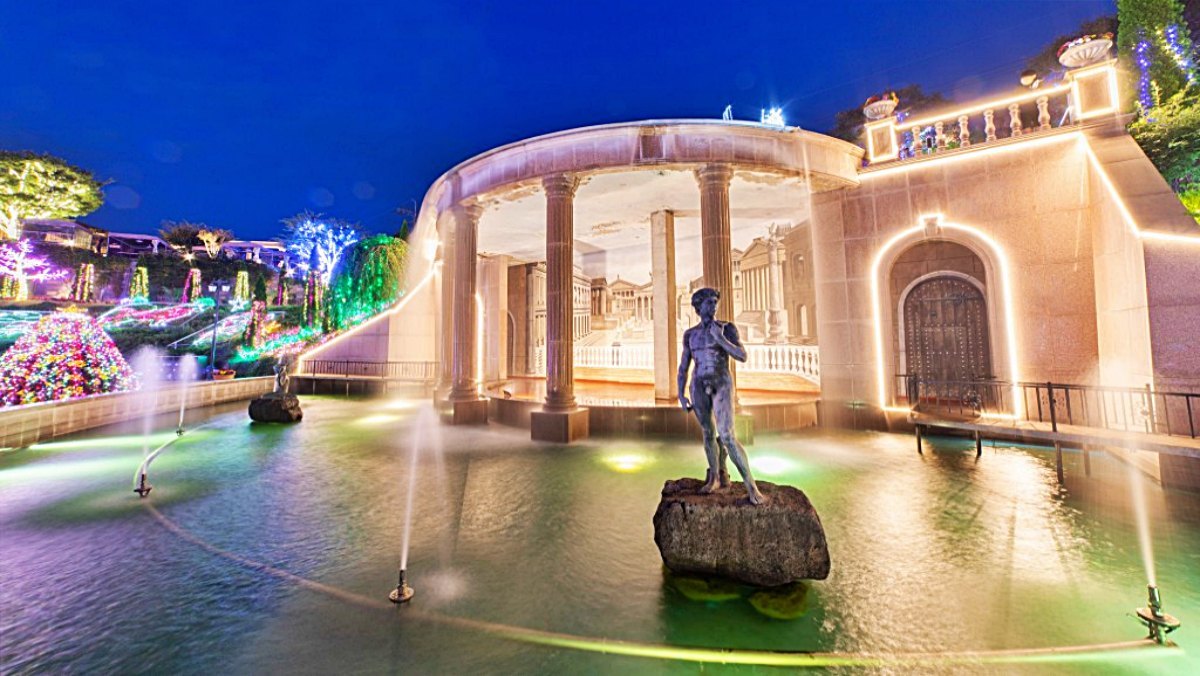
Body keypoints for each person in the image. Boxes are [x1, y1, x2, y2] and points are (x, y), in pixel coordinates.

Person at [677, 287, 765, 504]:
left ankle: (751, 486)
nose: (714, 306)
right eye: (709, 302)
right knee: (708, 432)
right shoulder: (690, 335)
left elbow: (742, 356)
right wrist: (680, 394)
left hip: (721, 383)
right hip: (698, 385)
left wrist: (721, 339)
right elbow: (684, 367)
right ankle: (715, 477)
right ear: (698, 307)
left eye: (715, 302)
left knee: (727, 435)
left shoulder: (726, 328)